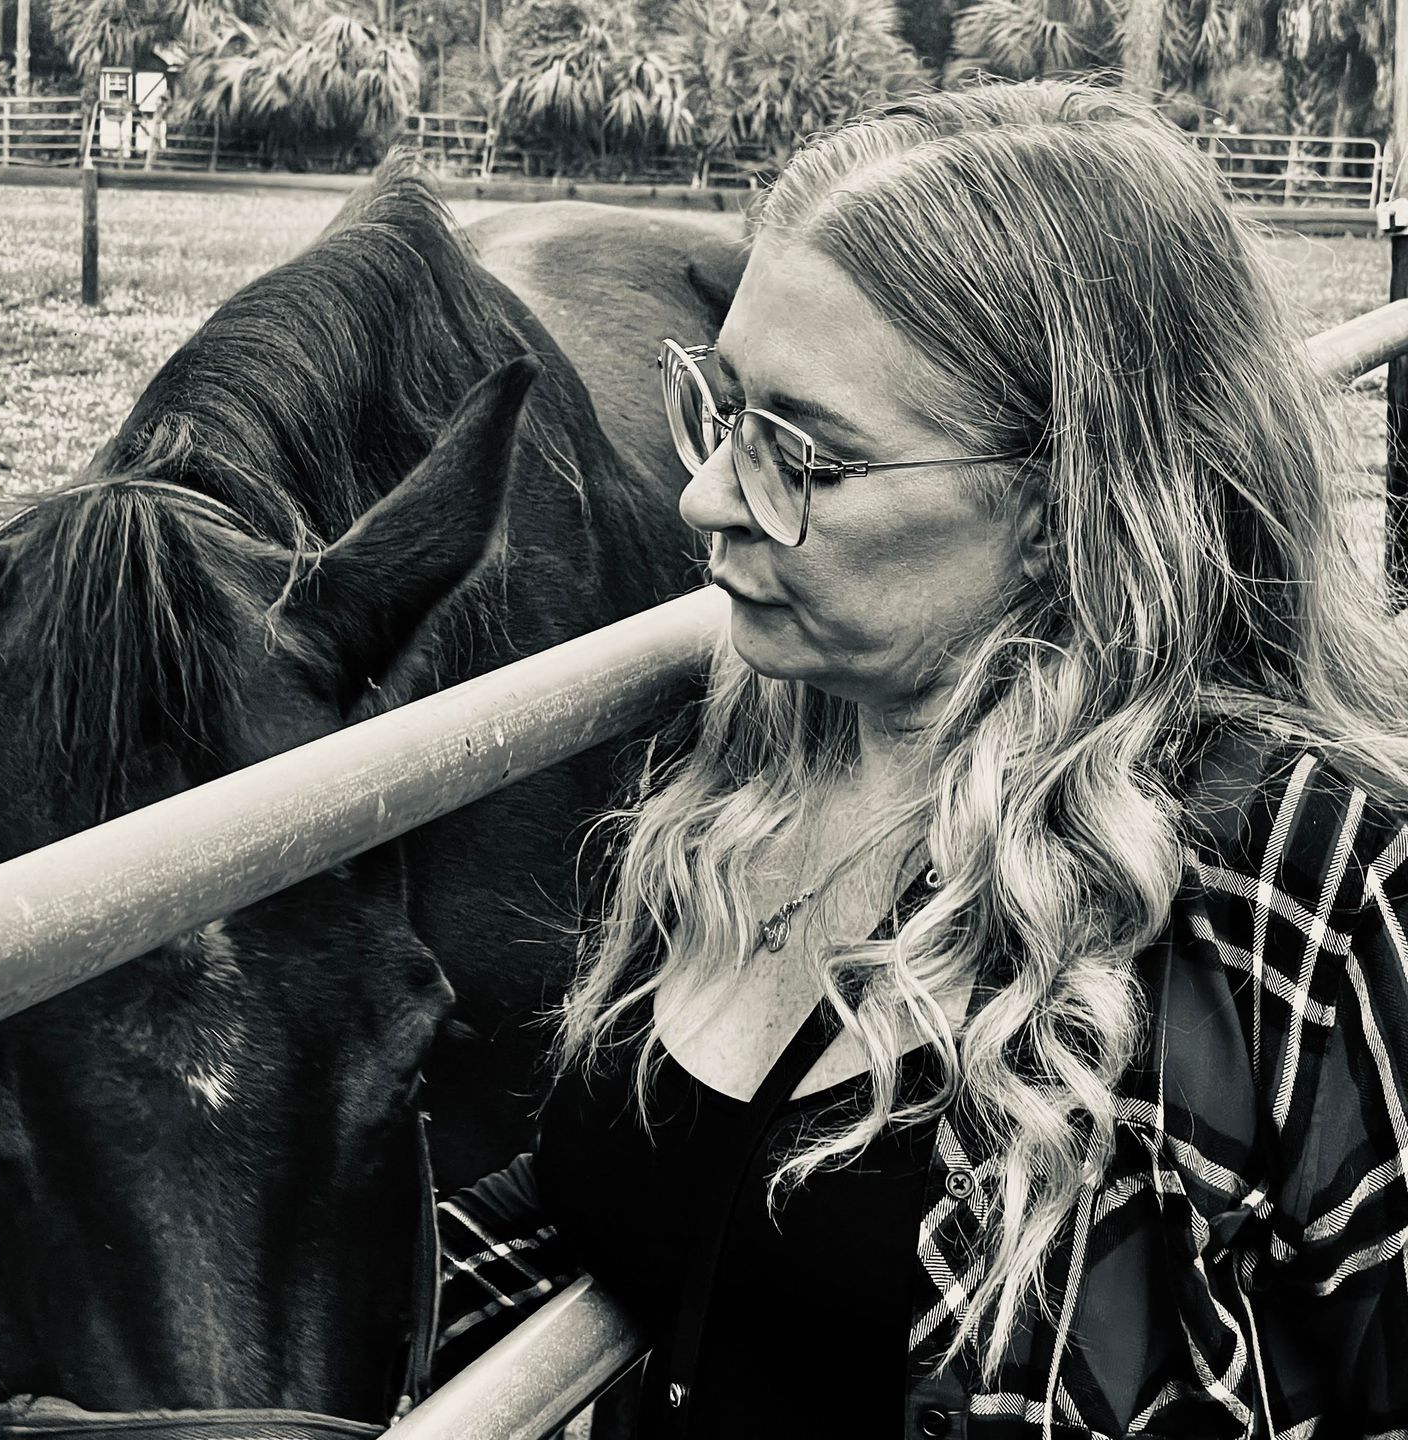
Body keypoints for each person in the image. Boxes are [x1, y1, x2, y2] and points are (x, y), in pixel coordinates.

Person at [428, 79, 1408, 1438]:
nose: (704, 497)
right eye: (720, 411)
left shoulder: (1312, 888)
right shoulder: (752, 753)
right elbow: (650, 1188)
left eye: (802, 457)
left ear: (1070, 503)